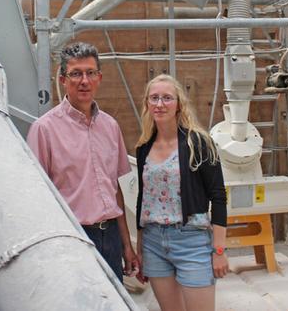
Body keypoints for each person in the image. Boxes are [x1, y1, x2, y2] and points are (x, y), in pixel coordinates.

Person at [26, 41, 138, 282]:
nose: (84, 81)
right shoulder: (44, 130)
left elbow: (114, 189)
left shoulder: (110, 126)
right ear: (64, 79)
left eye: (90, 73)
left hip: (111, 237)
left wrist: (126, 245)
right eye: (76, 74)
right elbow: (37, 198)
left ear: (99, 78)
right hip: (72, 237)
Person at [135, 74, 228, 311]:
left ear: (179, 104)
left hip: (192, 240)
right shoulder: (144, 147)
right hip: (154, 241)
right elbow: (143, 197)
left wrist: (219, 250)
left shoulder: (198, 142)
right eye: (154, 98)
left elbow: (218, 197)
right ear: (147, 103)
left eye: (167, 98)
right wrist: (141, 247)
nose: (160, 104)